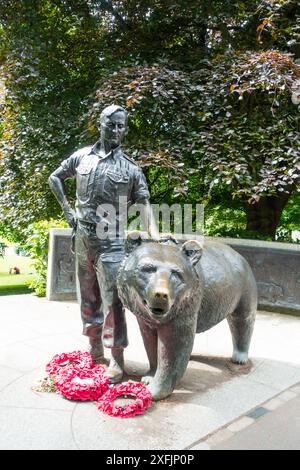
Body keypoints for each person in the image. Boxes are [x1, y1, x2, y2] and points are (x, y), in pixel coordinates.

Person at [48, 104, 158, 383]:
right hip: (83, 239)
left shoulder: (131, 169)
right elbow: (55, 177)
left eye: (121, 126)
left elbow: (144, 204)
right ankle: (94, 348)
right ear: (100, 125)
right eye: (112, 125)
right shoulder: (81, 158)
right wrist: (67, 210)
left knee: (113, 303)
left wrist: (154, 239)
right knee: (87, 299)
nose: (117, 130)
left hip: (112, 243)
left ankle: (116, 359)